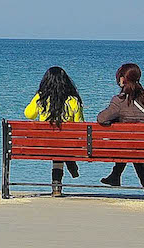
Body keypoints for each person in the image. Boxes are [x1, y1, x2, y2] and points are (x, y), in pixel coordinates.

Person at [97, 63, 144, 200]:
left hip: (129, 146)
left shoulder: (120, 100)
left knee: (130, 145)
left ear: (122, 79)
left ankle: (116, 175)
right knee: (133, 145)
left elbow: (101, 119)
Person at [23, 66, 84, 197]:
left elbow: (29, 114)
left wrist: (37, 98)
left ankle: (58, 184)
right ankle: (68, 166)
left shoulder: (41, 98)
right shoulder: (73, 100)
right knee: (61, 147)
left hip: (44, 144)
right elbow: (80, 125)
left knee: (57, 147)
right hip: (66, 144)